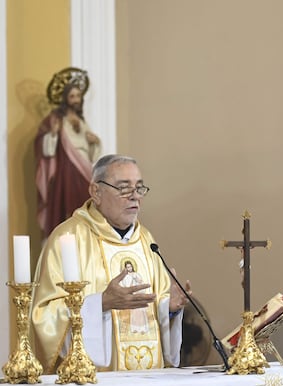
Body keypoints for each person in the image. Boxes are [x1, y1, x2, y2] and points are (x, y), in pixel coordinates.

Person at [31, 154, 190, 372]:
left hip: (148, 380)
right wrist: (101, 303)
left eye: (139, 188)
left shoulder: (146, 240)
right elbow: (44, 315)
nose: (135, 197)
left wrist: (169, 308)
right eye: (124, 188)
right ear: (96, 191)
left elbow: (156, 305)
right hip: (92, 384)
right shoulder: (68, 238)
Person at [34, 68, 102, 237]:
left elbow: (92, 154)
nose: (76, 100)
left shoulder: (81, 121)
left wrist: (95, 143)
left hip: (84, 168)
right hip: (66, 171)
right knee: (67, 210)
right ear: (65, 99)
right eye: (72, 96)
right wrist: (53, 134)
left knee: (85, 206)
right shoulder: (56, 119)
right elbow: (45, 148)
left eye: (78, 96)